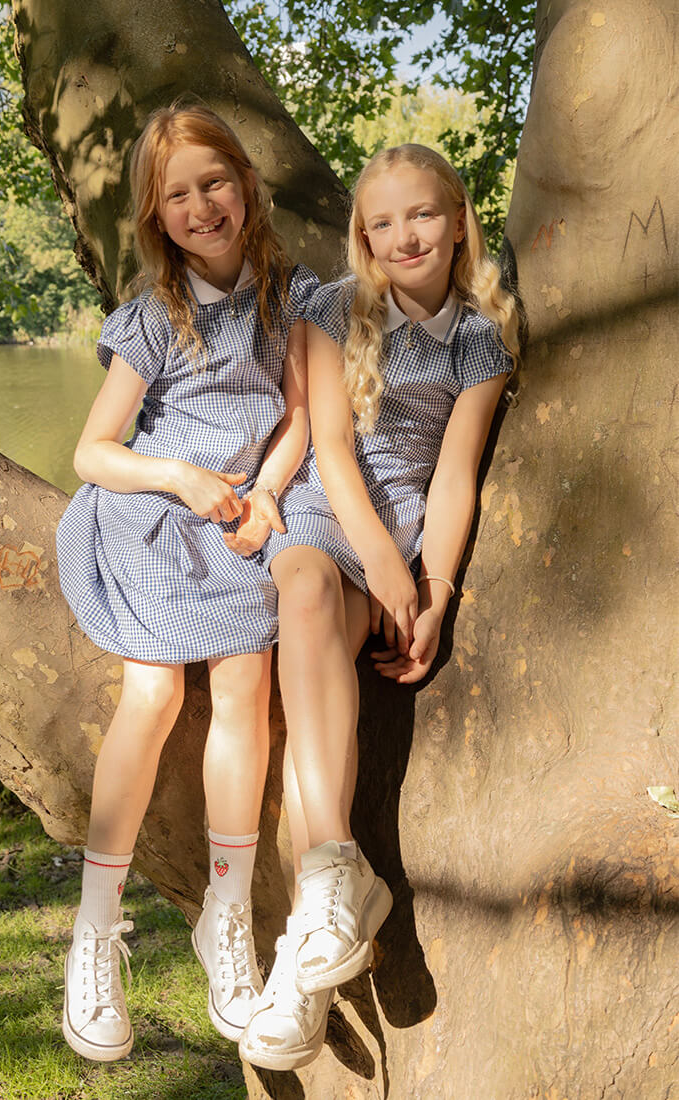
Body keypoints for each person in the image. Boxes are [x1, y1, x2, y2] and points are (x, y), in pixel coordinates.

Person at [228, 143, 520, 1070]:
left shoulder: (482, 338)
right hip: (331, 512)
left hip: (406, 529)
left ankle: (295, 975)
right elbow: (333, 452)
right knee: (307, 591)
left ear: (460, 219)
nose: (404, 236)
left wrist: (429, 593)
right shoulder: (330, 307)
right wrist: (383, 572)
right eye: (382, 222)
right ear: (361, 235)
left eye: (423, 215)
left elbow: (456, 480)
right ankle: (335, 870)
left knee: (309, 740)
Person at [55, 102, 318, 1061]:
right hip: (154, 517)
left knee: (249, 685)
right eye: (178, 195)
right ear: (156, 218)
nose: (201, 205)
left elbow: (301, 414)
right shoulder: (151, 320)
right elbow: (94, 451)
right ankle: (93, 929)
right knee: (158, 691)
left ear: (246, 185)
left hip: (242, 518)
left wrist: (268, 490)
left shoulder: (294, 296)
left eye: (215, 182)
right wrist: (180, 476)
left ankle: (228, 917)